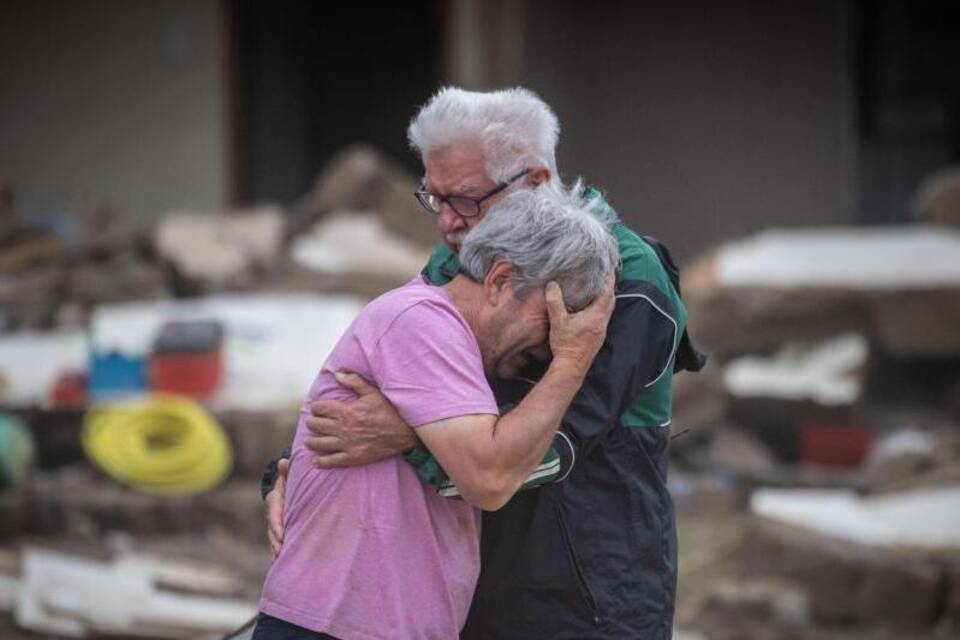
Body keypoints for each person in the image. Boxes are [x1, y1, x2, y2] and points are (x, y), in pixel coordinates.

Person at [262, 87, 705, 639]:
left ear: (537, 182)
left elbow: (549, 448)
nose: (448, 222)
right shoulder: (459, 262)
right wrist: (297, 465)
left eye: (467, 200)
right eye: (435, 198)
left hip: (589, 600)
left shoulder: (622, 279)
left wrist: (409, 432)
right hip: (474, 590)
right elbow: (384, 370)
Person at [253, 185, 619, 640]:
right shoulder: (422, 323)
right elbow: (489, 478)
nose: (551, 344)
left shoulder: (448, 340)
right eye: (552, 318)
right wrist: (573, 360)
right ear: (501, 281)